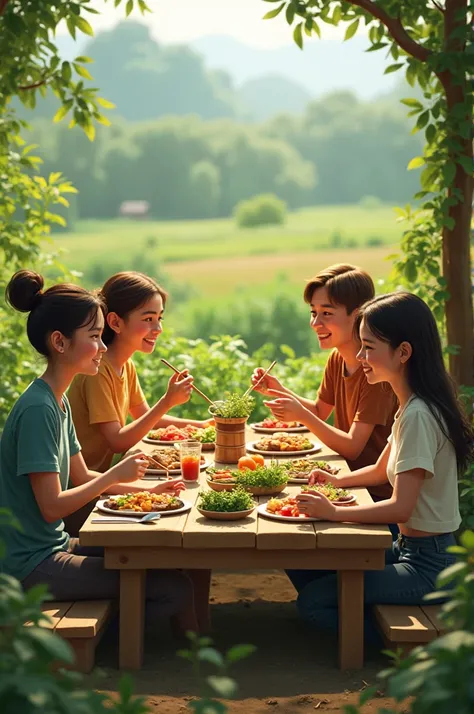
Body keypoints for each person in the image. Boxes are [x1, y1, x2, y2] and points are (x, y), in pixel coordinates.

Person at [0, 270, 197, 634]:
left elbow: (83, 477)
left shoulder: (57, 402)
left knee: (164, 562)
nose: (103, 347)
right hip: (29, 564)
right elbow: (52, 505)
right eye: (93, 337)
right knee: (172, 588)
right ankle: (99, 647)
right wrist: (115, 476)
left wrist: (148, 492)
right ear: (60, 342)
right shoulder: (38, 410)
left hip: (56, 544)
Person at [289, 292, 473, 637]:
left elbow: (401, 507)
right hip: (407, 549)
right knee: (306, 559)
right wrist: (331, 482)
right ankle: (366, 603)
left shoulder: (419, 415)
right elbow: (378, 470)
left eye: (369, 347)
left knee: (312, 602)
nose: (360, 357)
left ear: (403, 352)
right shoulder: (410, 405)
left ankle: (413, 653)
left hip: (428, 566)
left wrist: (333, 513)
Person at [68, 271, 212, 629]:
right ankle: (187, 627)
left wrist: (203, 427)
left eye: (159, 319)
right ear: (114, 321)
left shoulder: (124, 365)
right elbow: (120, 439)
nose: (157, 329)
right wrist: (167, 401)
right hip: (79, 495)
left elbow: (144, 419)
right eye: (148, 319)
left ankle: (196, 624)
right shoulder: (97, 371)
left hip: (101, 481)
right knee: (187, 523)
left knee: (192, 513)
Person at [252, 264, 398, 500]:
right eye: (313, 313)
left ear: (359, 313)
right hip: (342, 485)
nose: (315, 323)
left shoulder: (375, 371)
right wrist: (279, 390)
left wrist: (301, 415)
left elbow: (353, 446)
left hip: (374, 497)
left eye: (327, 313)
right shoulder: (337, 358)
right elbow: (320, 411)